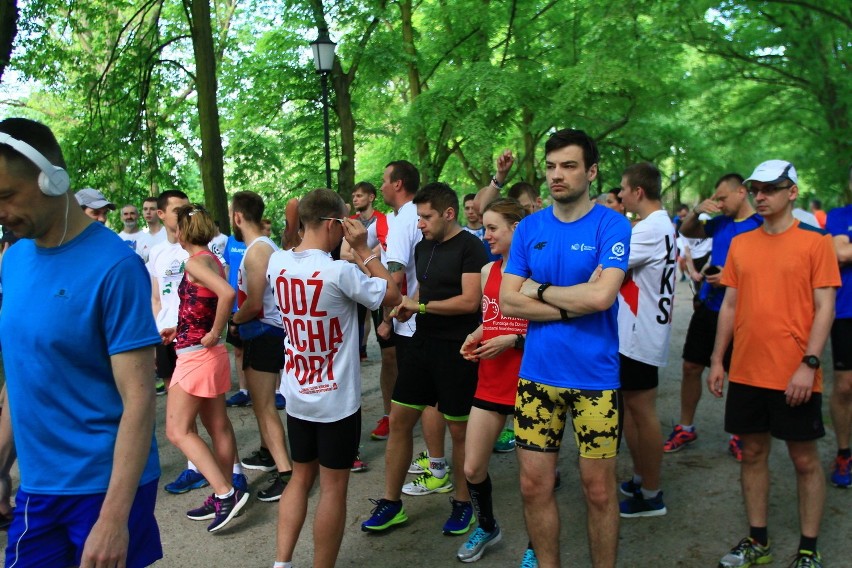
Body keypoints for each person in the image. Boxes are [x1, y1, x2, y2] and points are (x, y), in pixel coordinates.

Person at [0, 117, 162, 567]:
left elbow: (139, 399)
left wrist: (114, 520)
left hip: (103, 490)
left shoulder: (114, 267)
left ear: (52, 179)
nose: (0, 211)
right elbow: (21, 373)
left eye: (6, 196)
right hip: (38, 487)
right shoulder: (12, 262)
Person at [500, 128, 631, 568]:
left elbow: (602, 298)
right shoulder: (530, 228)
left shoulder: (612, 224)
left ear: (591, 172)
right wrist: (572, 299)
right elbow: (506, 300)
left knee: (598, 491)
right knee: (533, 487)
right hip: (537, 378)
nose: (557, 175)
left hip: (596, 379)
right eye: (551, 166)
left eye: (569, 166)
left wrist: (537, 290)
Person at [708, 160, 840, 568]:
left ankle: (807, 548)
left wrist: (809, 363)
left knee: (803, 459)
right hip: (747, 370)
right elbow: (729, 304)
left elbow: (825, 308)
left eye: (770, 189)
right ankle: (758, 541)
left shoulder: (816, 242)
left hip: (795, 371)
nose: (760, 196)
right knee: (752, 453)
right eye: (756, 189)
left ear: (792, 192)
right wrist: (717, 358)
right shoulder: (742, 243)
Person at [268, 189, 401, 568]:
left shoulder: (277, 263)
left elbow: (290, 240)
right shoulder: (339, 271)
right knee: (333, 488)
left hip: (297, 393)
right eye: (344, 222)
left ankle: (282, 563)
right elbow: (390, 293)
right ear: (333, 224)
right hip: (336, 401)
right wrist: (364, 250)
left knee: (299, 478)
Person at [361, 182, 488, 537]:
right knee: (400, 420)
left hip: (458, 349)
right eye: (418, 217)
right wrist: (401, 311)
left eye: (427, 217)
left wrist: (420, 306)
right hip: (421, 344)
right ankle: (391, 503)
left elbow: (469, 301)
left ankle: (465, 504)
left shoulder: (471, 248)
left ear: (449, 214)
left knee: (459, 430)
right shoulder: (424, 246)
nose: (421, 224)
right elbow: (422, 290)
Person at [162, 204, 248, 532]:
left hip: (197, 355)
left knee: (177, 429)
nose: (174, 233)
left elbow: (226, 294)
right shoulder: (211, 259)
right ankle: (225, 491)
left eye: (175, 227)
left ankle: (225, 493)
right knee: (217, 426)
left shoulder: (195, 262)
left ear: (184, 232)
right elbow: (203, 301)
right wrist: (180, 328)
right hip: (202, 352)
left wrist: (215, 331)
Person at [664, 173, 762, 460]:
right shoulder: (721, 223)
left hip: (742, 311)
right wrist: (697, 210)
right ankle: (685, 426)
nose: (718, 203)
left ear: (741, 192)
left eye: (722, 197)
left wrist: (732, 279)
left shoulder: (760, 226)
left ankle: (737, 434)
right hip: (709, 306)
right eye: (716, 199)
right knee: (691, 367)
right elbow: (688, 231)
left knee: (738, 374)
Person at [457, 198, 528, 563]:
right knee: (472, 467)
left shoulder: (539, 271)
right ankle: (487, 525)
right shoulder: (488, 271)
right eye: (484, 228)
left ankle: (538, 545)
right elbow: (494, 318)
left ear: (516, 228)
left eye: (492, 228)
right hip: (490, 379)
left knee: (534, 480)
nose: (486, 236)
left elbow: (554, 327)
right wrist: (476, 334)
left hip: (530, 382)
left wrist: (513, 341)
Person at [615, 163, 676, 518]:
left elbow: (607, 266)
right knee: (637, 411)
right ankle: (642, 478)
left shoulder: (649, 229)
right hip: (644, 329)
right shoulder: (659, 225)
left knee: (641, 412)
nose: (620, 194)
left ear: (638, 191)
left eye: (623, 188)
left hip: (639, 333)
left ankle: (652, 493)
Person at [230, 190, 293, 502]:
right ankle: (268, 454)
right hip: (269, 332)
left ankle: (285, 472)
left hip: (264, 332)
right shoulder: (267, 246)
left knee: (264, 406)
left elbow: (254, 304)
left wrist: (232, 320)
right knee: (262, 403)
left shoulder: (256, 251)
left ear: (238, 216)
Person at [826, 171, 852, 488]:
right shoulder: (839, 216)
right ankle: (845, 452)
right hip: (846, 311)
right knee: (845, 387)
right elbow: (840, 253)